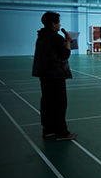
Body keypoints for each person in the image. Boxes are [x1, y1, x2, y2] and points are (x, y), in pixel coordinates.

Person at [32, 11, 77, 141]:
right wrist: (67, 41)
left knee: (47, 101)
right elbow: (64, 54)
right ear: (53, 24)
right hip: (55, 74)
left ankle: (48, 129)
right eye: (58, 22)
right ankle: (61, 133)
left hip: (43, 74)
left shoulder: (41, 36)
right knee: (59, 103)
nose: (60, 24)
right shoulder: (55, 37)